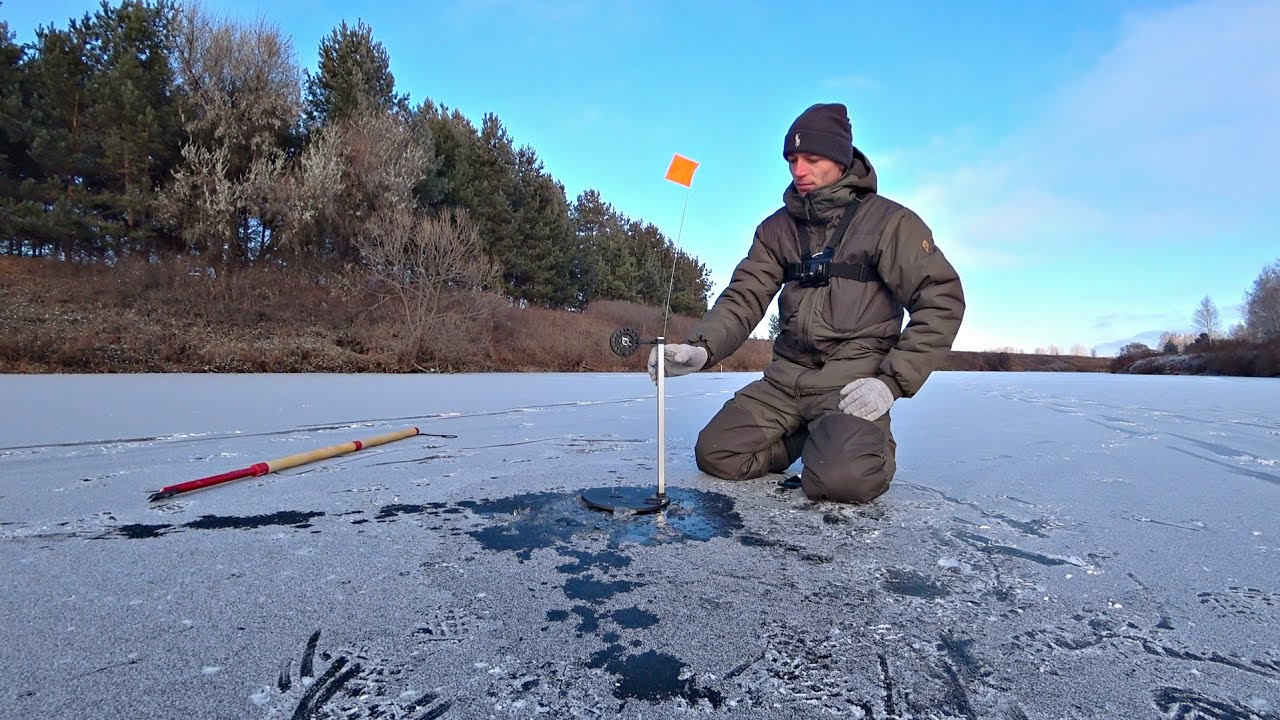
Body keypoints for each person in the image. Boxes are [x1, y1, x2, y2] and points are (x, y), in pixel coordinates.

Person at [648, 102, 964, 504]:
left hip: (850, 383)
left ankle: (856, 448)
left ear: (841, 159)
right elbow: (745, 294)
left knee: (842, 482)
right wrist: (701, 348)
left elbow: (942, 299)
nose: (799, 170)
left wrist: (890, 383)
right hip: (785, 380)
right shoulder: (776, 228)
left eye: (812, 159)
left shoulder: (890, 223)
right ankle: (805, 437)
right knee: (717, 454)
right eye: (792, 159)